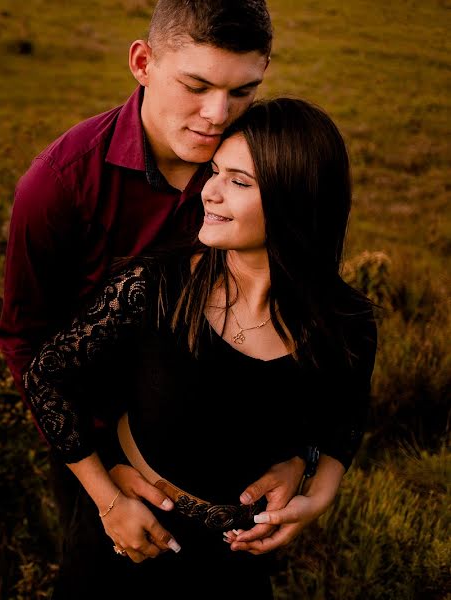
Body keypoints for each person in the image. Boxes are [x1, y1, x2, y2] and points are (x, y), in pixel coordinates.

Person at [0, 1, 318, 596]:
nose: (217, 116)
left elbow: (298, 307)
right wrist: (103, 485)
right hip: (93, 452)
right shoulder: (60, 185)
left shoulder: (252, 167)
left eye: (243, 92)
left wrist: (302, 458)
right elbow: (26, 344)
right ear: (143, 62)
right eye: (196, 86)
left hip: (226, 463)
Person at [21, 97, 378, 597]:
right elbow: (45, 375)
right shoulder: (156, 285)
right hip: (129, 541)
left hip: (235, 561)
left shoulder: (347, 323)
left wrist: (317, 488)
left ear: (295, 201)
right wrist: (107, 501)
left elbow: (344, 413)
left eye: (238, 181)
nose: (209, 192)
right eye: (215, 171)